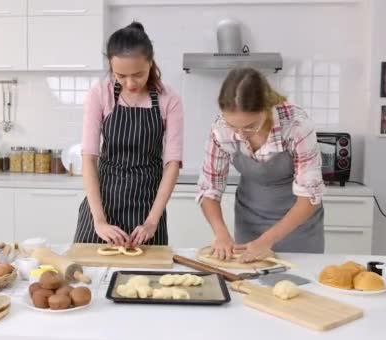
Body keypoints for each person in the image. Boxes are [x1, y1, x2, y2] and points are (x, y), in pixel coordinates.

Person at [74, 22, 184, 247]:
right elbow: (89, 158)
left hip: (147, 211)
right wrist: (100, 221)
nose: (130, 83)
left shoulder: (168, 99)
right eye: (121, 75)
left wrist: (152, 222)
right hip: (102, 205)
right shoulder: (99, 94)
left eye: (138, 74)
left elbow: (172, 164)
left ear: (151, 63)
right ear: (110, 66)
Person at [197, 67, 325, 262]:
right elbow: (209, 190)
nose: (240, 135)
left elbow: (309, 197)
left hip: (298, 227)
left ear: (266, 108)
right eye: (234, 127)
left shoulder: (296, 126)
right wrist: (221, 233)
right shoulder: (221, 129)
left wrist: (267, 240)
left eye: (250, 126)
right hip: (248, 223)